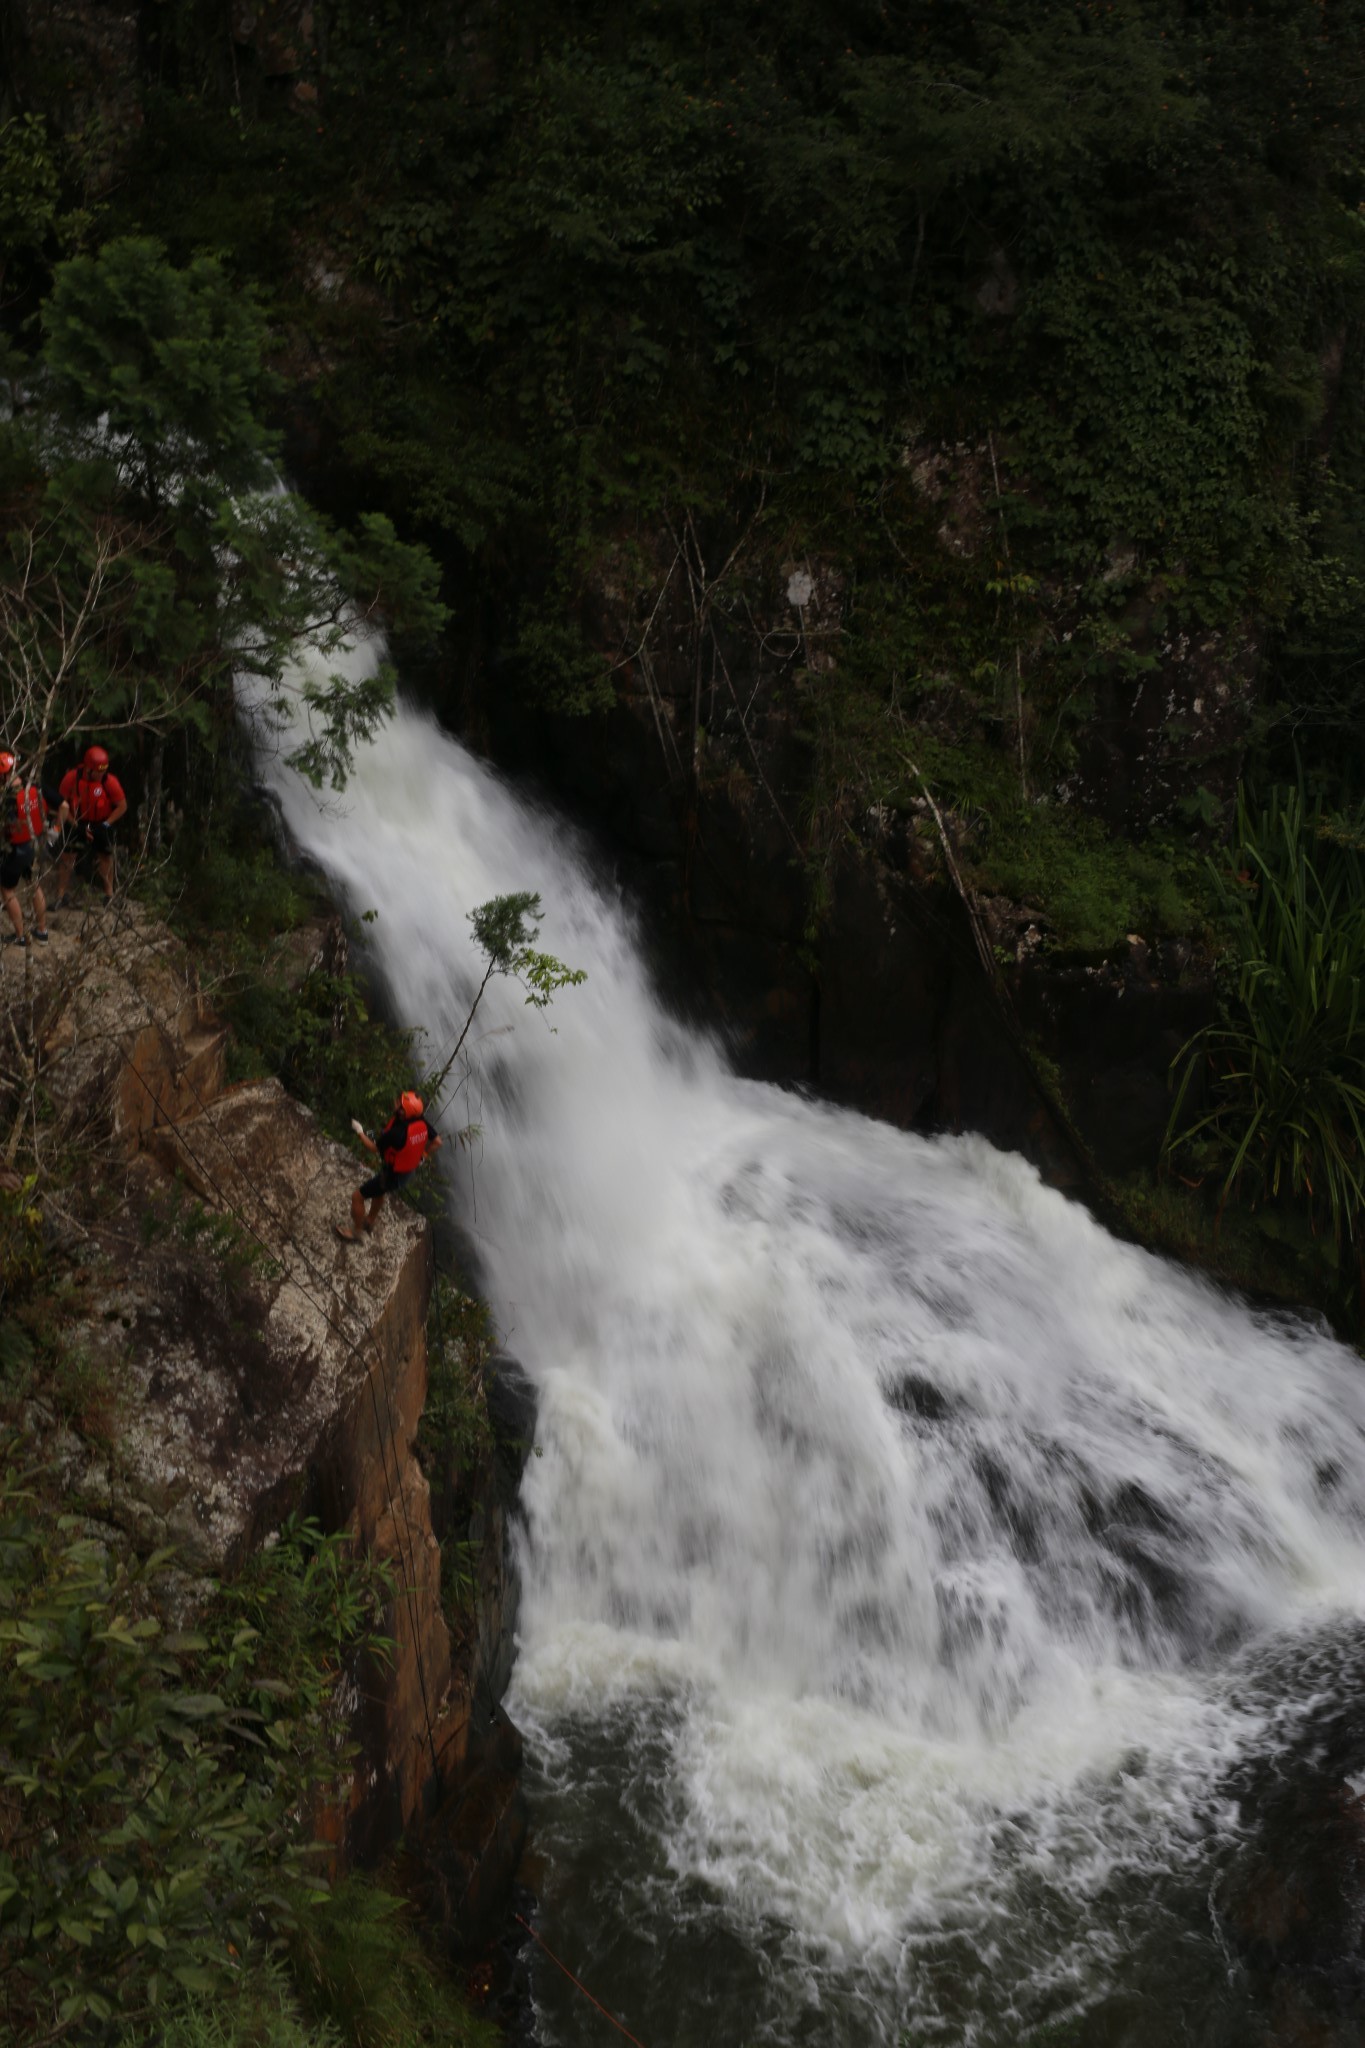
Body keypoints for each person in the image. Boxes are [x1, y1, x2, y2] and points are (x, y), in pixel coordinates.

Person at [338, 1090, 443, 1242]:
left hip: (393, 1174)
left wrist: (360, 1131)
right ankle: (370, 1221)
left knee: (357, 1196)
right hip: (407, 1171)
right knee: (380, 1191)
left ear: (403, 1111)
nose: (395, 1103)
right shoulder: (421, 1122)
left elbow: (374, 1148)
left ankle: (356, 1232)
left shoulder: (396, 1134)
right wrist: (423, 1156)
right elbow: (437, 1141)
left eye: (399, 1103)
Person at [54, 744, 128, 909]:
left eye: (103, 770)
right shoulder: (72, 778)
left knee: (105, 857)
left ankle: (109, 895)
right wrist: (76, 825)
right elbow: (61, 805)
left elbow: (122, 806)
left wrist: (106, 824)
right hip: (76, 820)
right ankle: (60, 895)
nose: (101, 774)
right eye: (98, 771)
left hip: (101, 822)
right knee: (67, 857)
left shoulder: (110, 782)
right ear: (88, 768)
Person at [0, 752, 57, 948]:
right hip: (34, 844)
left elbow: (10, 826)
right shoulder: (33, 786)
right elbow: (62, 805)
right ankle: (42, 931)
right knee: (34, 885)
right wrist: (54, 830)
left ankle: (20, 935)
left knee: (7, 890)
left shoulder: (8, 796)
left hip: (17, 849)